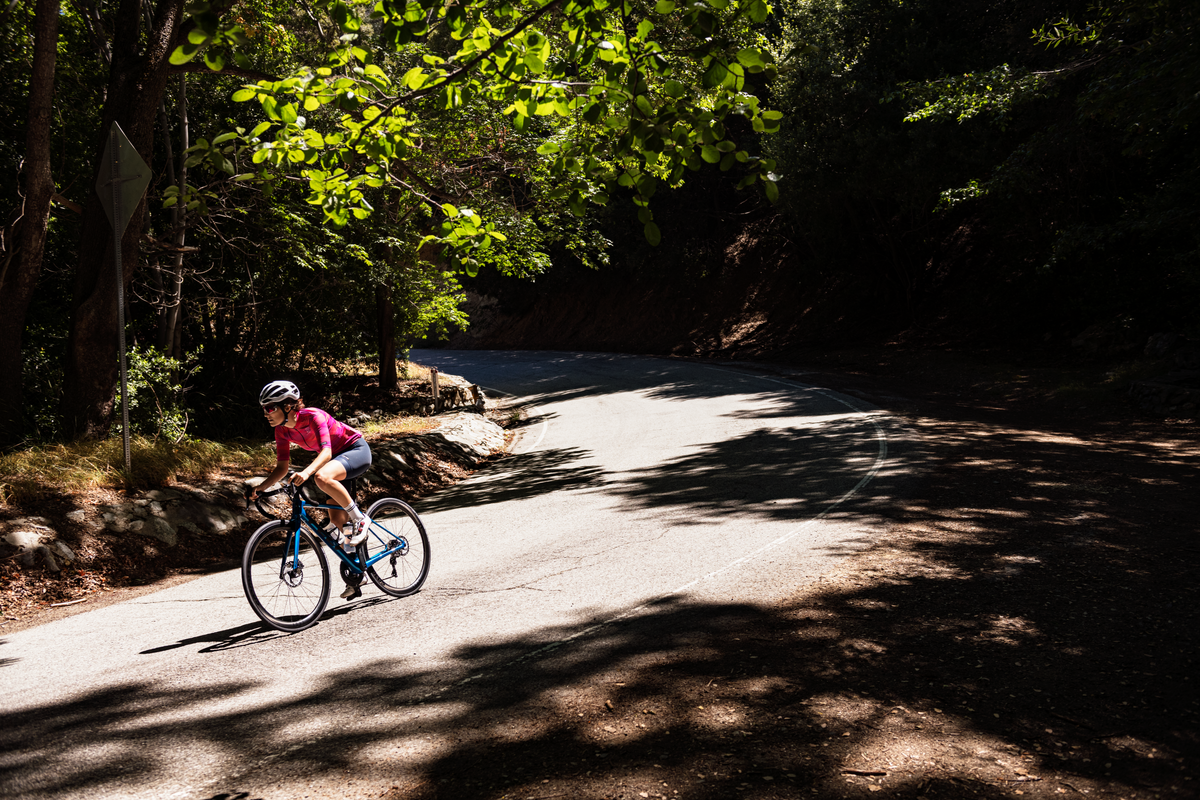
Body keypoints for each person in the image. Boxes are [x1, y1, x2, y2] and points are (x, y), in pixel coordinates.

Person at [249, 380, 373, 600]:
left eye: (270, 408)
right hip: (336, 462)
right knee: (337, 521)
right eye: (264, 409)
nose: (266, 413)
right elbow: (282, 468)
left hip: (355, 450)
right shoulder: (281, 431)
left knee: (321, 477)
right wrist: (261, 488)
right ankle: (357, 571)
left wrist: (306, 473)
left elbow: (326, 453)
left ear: (288, 406)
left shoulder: (313, 416)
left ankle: (361, 519)